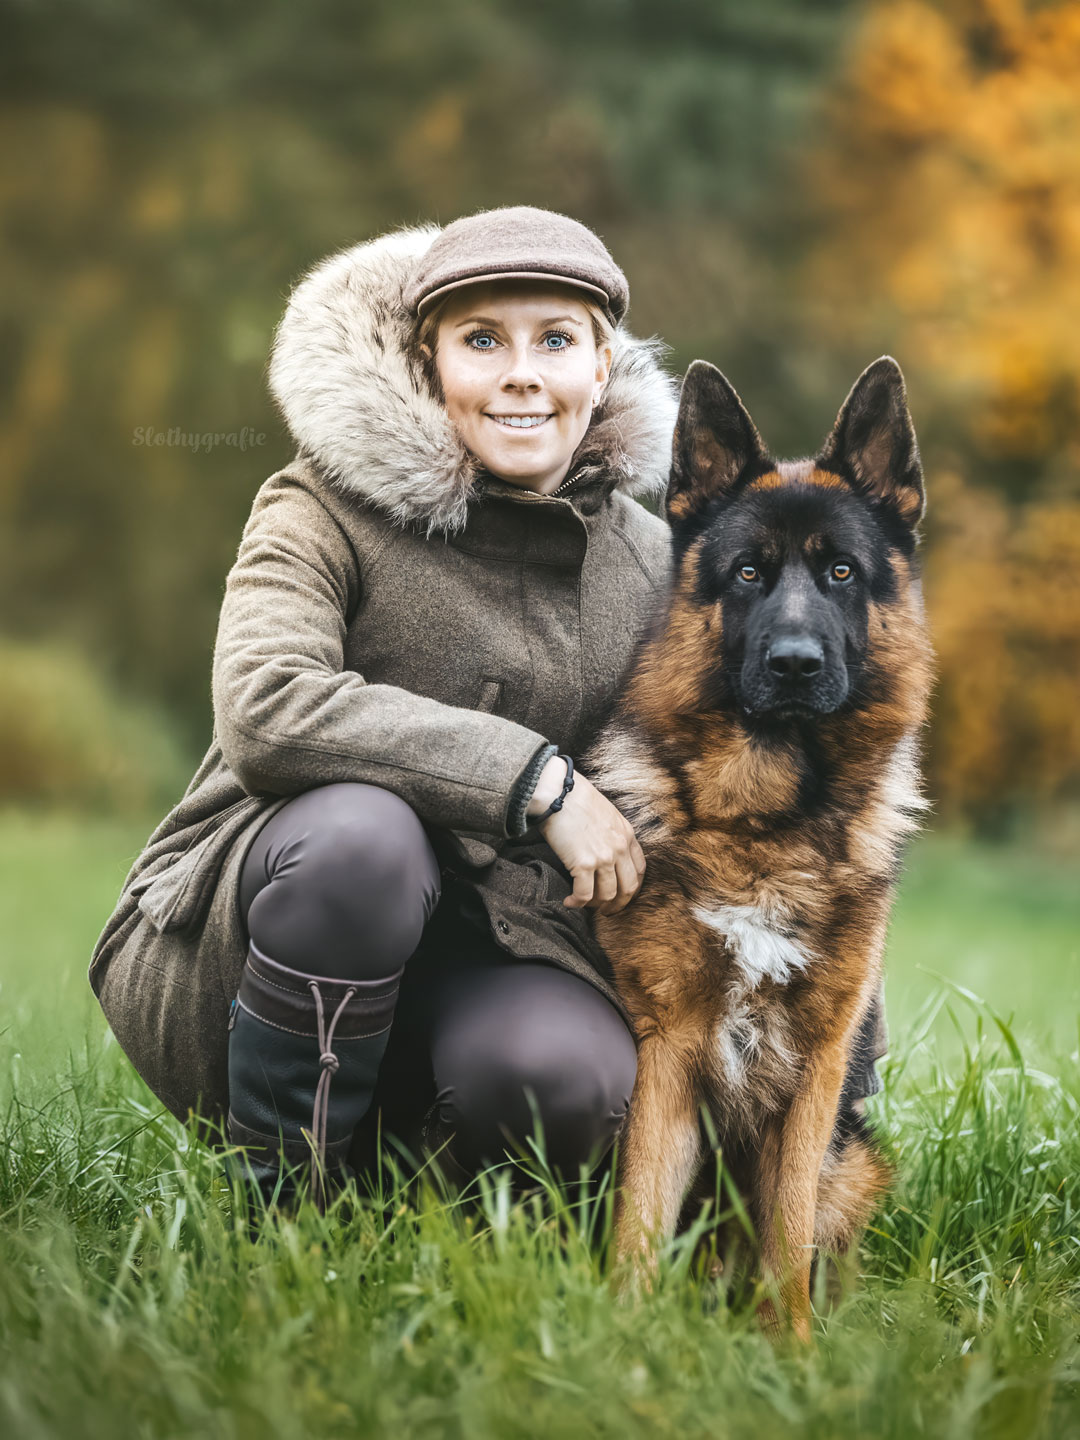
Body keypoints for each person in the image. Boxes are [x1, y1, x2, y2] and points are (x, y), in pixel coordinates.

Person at [88, 205, 886, 1211]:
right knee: (364, 841)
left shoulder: (659, 565)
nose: (521, 373)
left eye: (555, 340)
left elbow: (771, 800)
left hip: (514, 947)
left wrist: (840, 1066)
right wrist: (535, 783)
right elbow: (266, 707)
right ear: (430, 362)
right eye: (482, 340)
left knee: (570, 1079)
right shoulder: (317, 506)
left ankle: (422, 1202)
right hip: (265, 934)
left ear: (601, 369)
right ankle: (277, 1210)